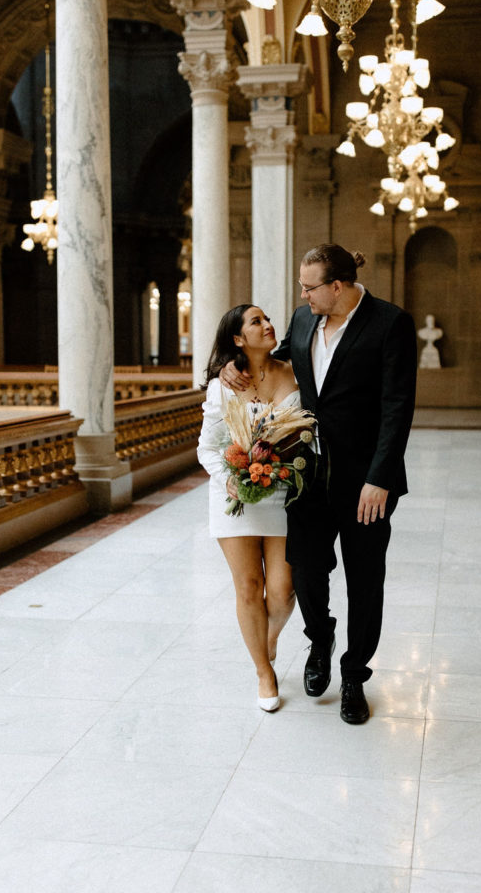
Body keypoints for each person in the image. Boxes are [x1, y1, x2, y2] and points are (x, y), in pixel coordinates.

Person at [221, 245, 417, 725]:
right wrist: (234, 362)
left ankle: (354, 676)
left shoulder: (390, 324)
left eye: (310, 287)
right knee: (306, 573)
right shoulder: (305, 318)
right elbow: (279, 358)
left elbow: (398, 406)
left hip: (365, 482)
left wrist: (380, 478)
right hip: (305, 474)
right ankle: (321, 639)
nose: (301, 294)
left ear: (339, 286)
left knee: (365, 581)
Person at [197, 304, 299, 712]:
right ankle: (263, 670)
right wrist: (231, 483)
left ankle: (269, 637)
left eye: (267, 318)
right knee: (248, 588)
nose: (268, 325)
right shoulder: (223, 385)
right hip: (233, 494)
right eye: (256, 322)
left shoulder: (292, 372)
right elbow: (207, 448)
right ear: (238, 338)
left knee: (282, 590)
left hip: (282, 491)